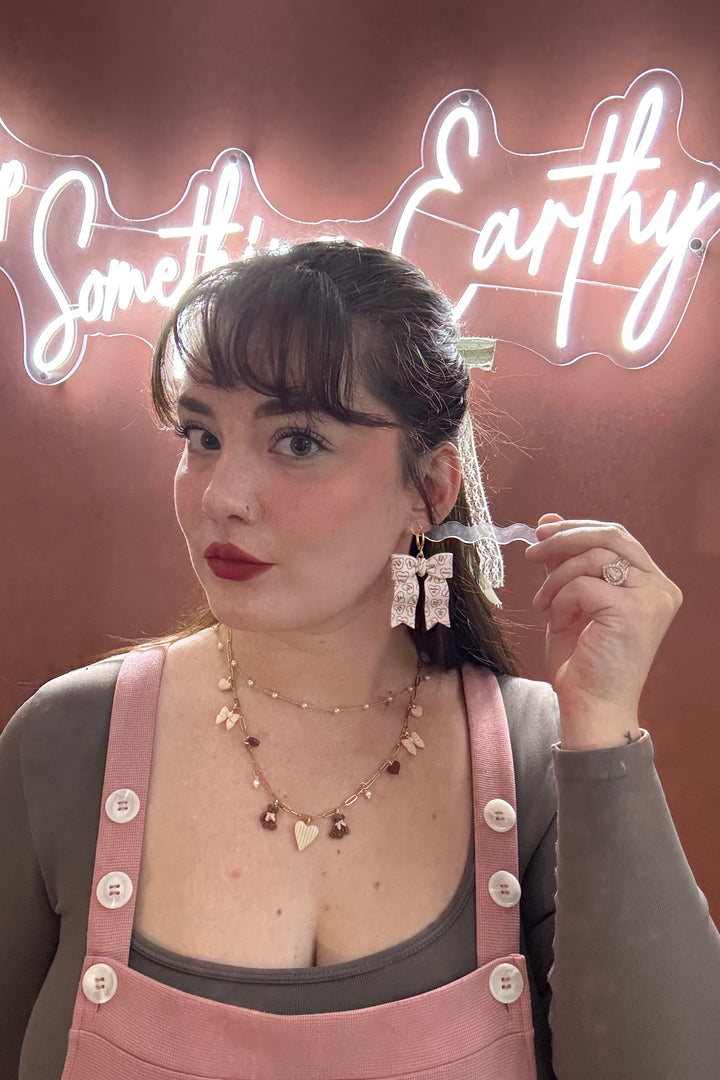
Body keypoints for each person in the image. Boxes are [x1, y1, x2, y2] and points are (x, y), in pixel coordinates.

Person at [1, 240, 718, 1080]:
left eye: (298, 441)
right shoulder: (68, 740)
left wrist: (602, 732)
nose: (221, 497)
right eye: (200, 435)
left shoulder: (535, 758)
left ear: (431, 490)